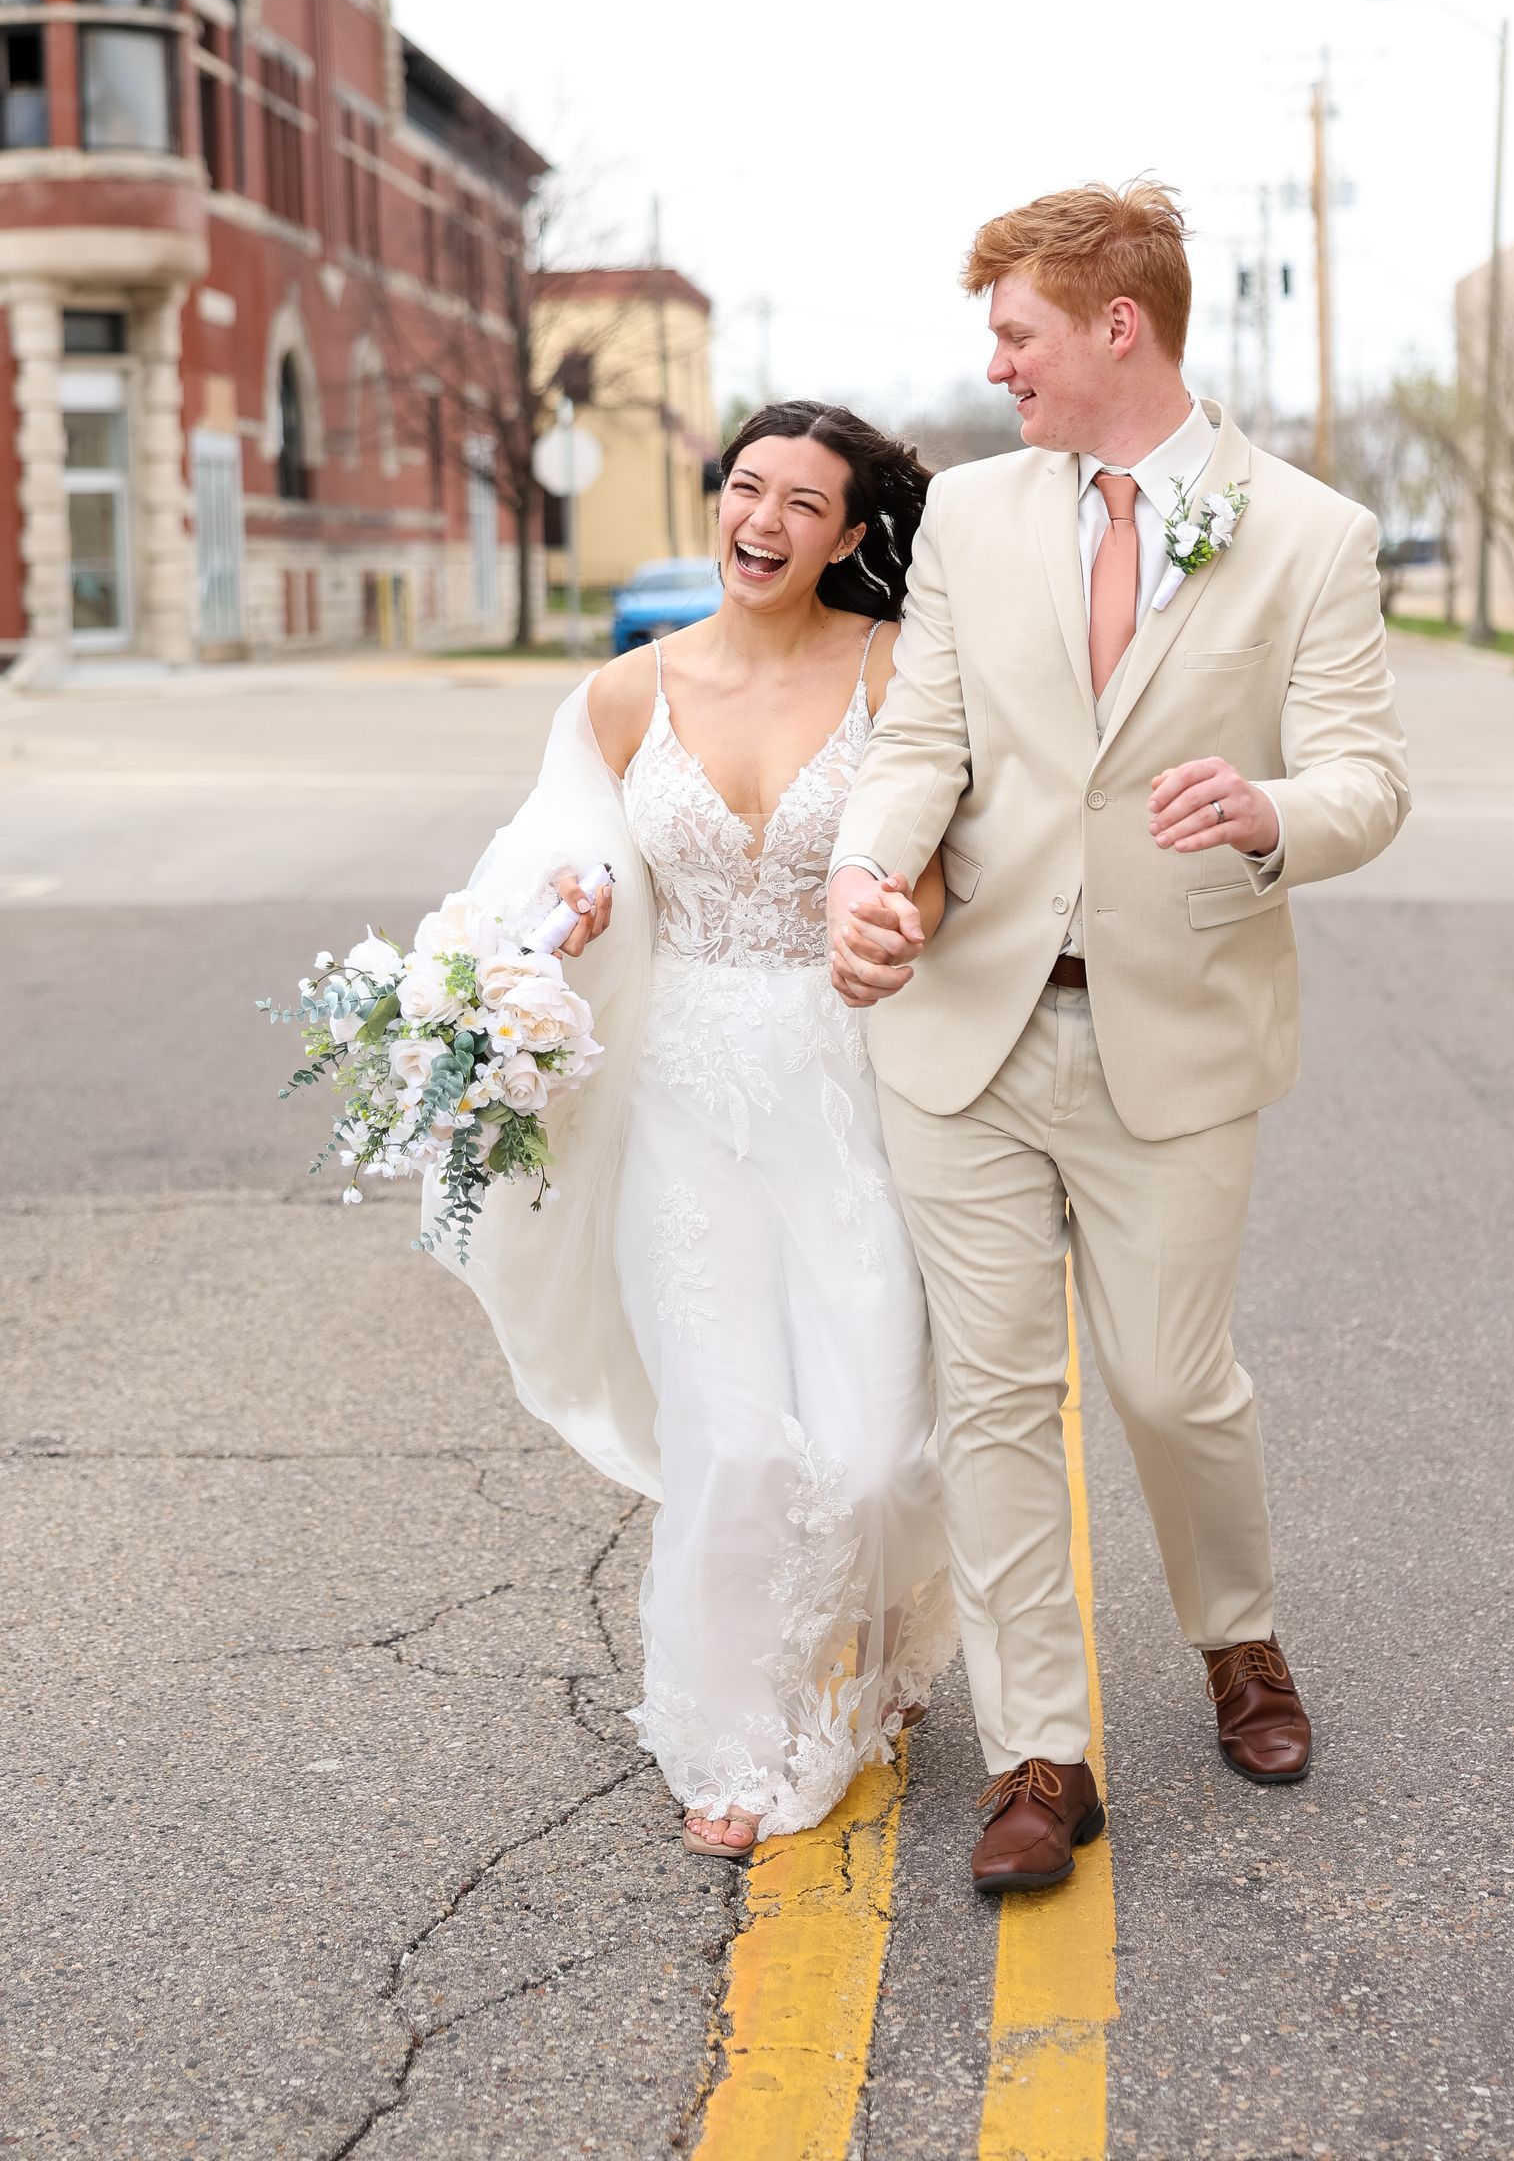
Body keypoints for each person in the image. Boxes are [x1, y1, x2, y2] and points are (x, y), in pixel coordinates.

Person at [826, 179, 1411, 1896]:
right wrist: (870, 875)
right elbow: (919, 739)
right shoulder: (974, 518)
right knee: (998, 1401)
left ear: (1115, 327)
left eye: (1015, 332)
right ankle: (1043, 1755)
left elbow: (1369, 783)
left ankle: (1239, 1638)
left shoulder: (1309, 534)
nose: (996, 363)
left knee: (1169, 1381)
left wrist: (1270, 810)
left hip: (1177, 1028)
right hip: (968, 1034)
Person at [427, 402, 954, 1860]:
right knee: (730, 1431)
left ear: (851, 536)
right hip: (687, 1093)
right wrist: (568, 919)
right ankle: (729, 1735)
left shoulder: (897, 671)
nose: (764, 520)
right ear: (717, 503)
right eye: (744, 488)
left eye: (803, 501)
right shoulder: (620, 698)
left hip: (857, 1084)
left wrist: (911, 920)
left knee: (868, 1446)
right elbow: (558, 867)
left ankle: (888, 1632)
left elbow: (962, 853)